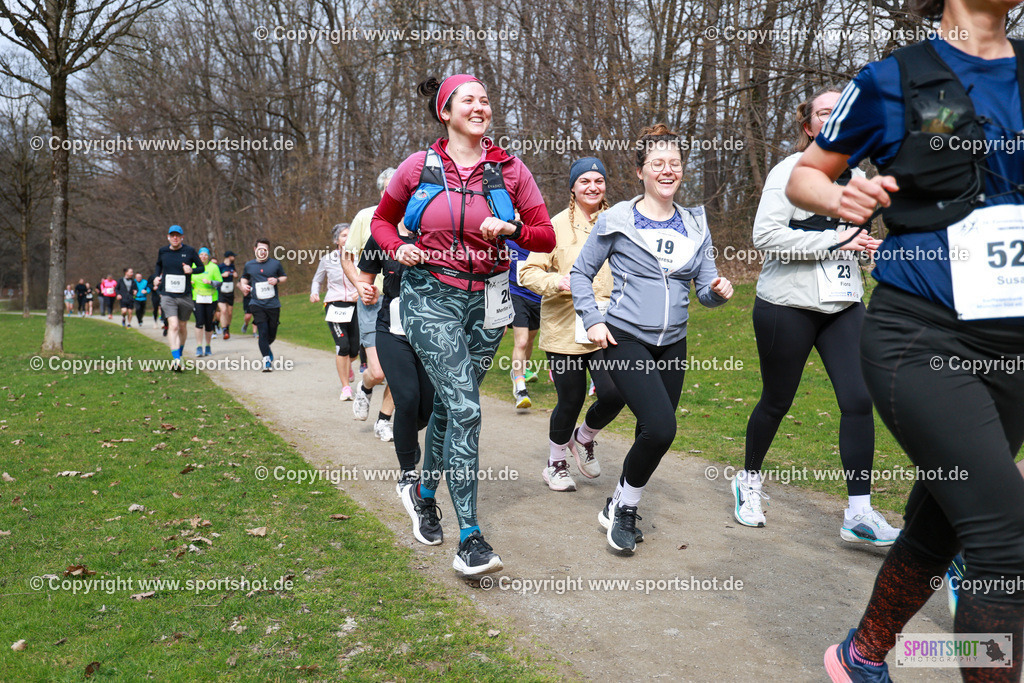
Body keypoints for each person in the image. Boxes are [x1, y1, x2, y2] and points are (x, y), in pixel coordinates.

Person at [784, 0, 1024, 677]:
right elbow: (809, 172)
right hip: (921, 335)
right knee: (1006, 545)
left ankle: (862, 655)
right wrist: (836, 198)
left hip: (1013, 344)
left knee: (946, 520)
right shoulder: (894, 79)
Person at [371, 74, 555, 574]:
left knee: (455, 410)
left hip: (489, 302)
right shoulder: (417, 167)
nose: (481, 106)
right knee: (468, 408)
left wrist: (513, 228)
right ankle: (470, 538)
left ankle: (424, 492)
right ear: (445, 113)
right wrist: (397, 247)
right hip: (431, 294)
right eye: (468, 100)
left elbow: (545, 236)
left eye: (486, 99)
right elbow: (381, 223)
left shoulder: (511, 170)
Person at [733, 88, 900, 547]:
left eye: (843, 111)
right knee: (777, 400)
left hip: (843, 305)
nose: (835, 118)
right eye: (825, 113)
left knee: (859, 399)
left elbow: (856, 243)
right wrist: (834, 243)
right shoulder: (789, 172)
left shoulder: (858, 177)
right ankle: (748, 480)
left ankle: (859, 513)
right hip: (786, 306)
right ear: (809, 126)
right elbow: (765, 236)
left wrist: (873, 255)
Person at [572, 124, 733, 554]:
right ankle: (625, 508)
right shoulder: (617, 219)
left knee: (652, 430)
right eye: (658, 164)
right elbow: (580, 273)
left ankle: (619, 502)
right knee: (662, 429)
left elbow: (702, 290)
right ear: (641, 171)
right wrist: (591, 318)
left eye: (675, 164)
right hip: (625, 337)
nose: (668, 171)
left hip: (673, 342)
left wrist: (716, 293)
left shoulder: (696, 225)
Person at [520, 157, 625, 492]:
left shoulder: (618, 222)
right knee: (571, 398)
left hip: (606, 324)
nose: (592, 187)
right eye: (585, 181)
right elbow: (527, 272)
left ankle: (583, 437)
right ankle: (556, 464)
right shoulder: (554, 227)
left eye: (598, 180)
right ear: (573, 187)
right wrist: (558, 283)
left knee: (615, 392)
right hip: (565, 328)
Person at [358, 223, 437, 494]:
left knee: (428, 405)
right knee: (407, 398)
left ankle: (406, 432)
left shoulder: (439, 232)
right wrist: (364, 289)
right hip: (393, 330)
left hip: (431, 331)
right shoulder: (381, 236)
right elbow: (364, 277)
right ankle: (407, 473)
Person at [344, 169, 396, 427]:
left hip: (402, 304)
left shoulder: (413, 220)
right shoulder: (366, 217)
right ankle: (365, 388)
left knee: (400, 371)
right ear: (381, 192)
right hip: (372, 303)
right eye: (389, 189)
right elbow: (347, 256)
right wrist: (358, 284)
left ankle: (384, 421)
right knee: (377, 372)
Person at [310, 224, 361, 402]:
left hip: (355, 304)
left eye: (350, 235)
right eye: (343, 235)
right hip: (334, 305)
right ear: (336, 240)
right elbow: (317, 280)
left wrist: (360, 291)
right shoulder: (327, 259)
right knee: (343, 345)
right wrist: (314, 292)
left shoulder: (360, 256)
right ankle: (346, 387)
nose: (347, 238)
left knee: (355, 349)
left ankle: (347, 366)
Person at [152, 225, 203, 371]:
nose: (175, 238)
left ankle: (178, 355)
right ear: (168, 237)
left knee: (182, 326)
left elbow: (202, 268)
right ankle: (176, 359)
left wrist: (191, 270)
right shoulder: (163, 251)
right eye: (172, 235)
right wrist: (156, 277)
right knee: (173, 325)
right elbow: (158, 266)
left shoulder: (189, 251)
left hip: (185, 295)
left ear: (182, 237)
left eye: (177, 235)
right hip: (168, 295)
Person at [238, 238, 287, 372]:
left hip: (273, 304)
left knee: (271, 334)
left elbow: (284, 277)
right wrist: (243, 285)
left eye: (265, 250)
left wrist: (276, 280)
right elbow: (244, 277)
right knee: (263, 331)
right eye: (260, 249)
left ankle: (266, 347)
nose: (262, 252)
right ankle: (266, 360)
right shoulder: (249, 265)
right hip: (256, 303)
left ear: (268, 251)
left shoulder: (275, 264)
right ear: (255, 250)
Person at [506, 233, 542, 409]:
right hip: (516, 294)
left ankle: (519, 371)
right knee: (520, 341)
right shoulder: (507, 238)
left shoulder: (542, 238)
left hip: (538, 296)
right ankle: (521, 389)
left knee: (529, 342)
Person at [191, 247, 223, 357]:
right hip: (197, 297)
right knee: (199, 322)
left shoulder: (214, 267)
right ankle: (199, 347)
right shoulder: (193, 266)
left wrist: (210, 282)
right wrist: (190, 282)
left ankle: (208, 346)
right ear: (198, 256)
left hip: (211, 298)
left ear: (208, 256)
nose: (203, 257)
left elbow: (219, 283)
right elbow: (187, 280)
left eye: (205, 255)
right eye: (201, 255)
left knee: (209, 323)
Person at [217, 251, 237, 339]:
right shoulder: (220, 266)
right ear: (229, 257)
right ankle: (224, 330)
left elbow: (235, 274)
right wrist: (222, 275)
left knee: (229, 312)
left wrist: (235, 275)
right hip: (221, 291)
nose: (234, 258)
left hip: (230, 291)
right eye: (233, 256)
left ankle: (227, 327)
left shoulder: (232, 266)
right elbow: (215, 277)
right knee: (223, 311)